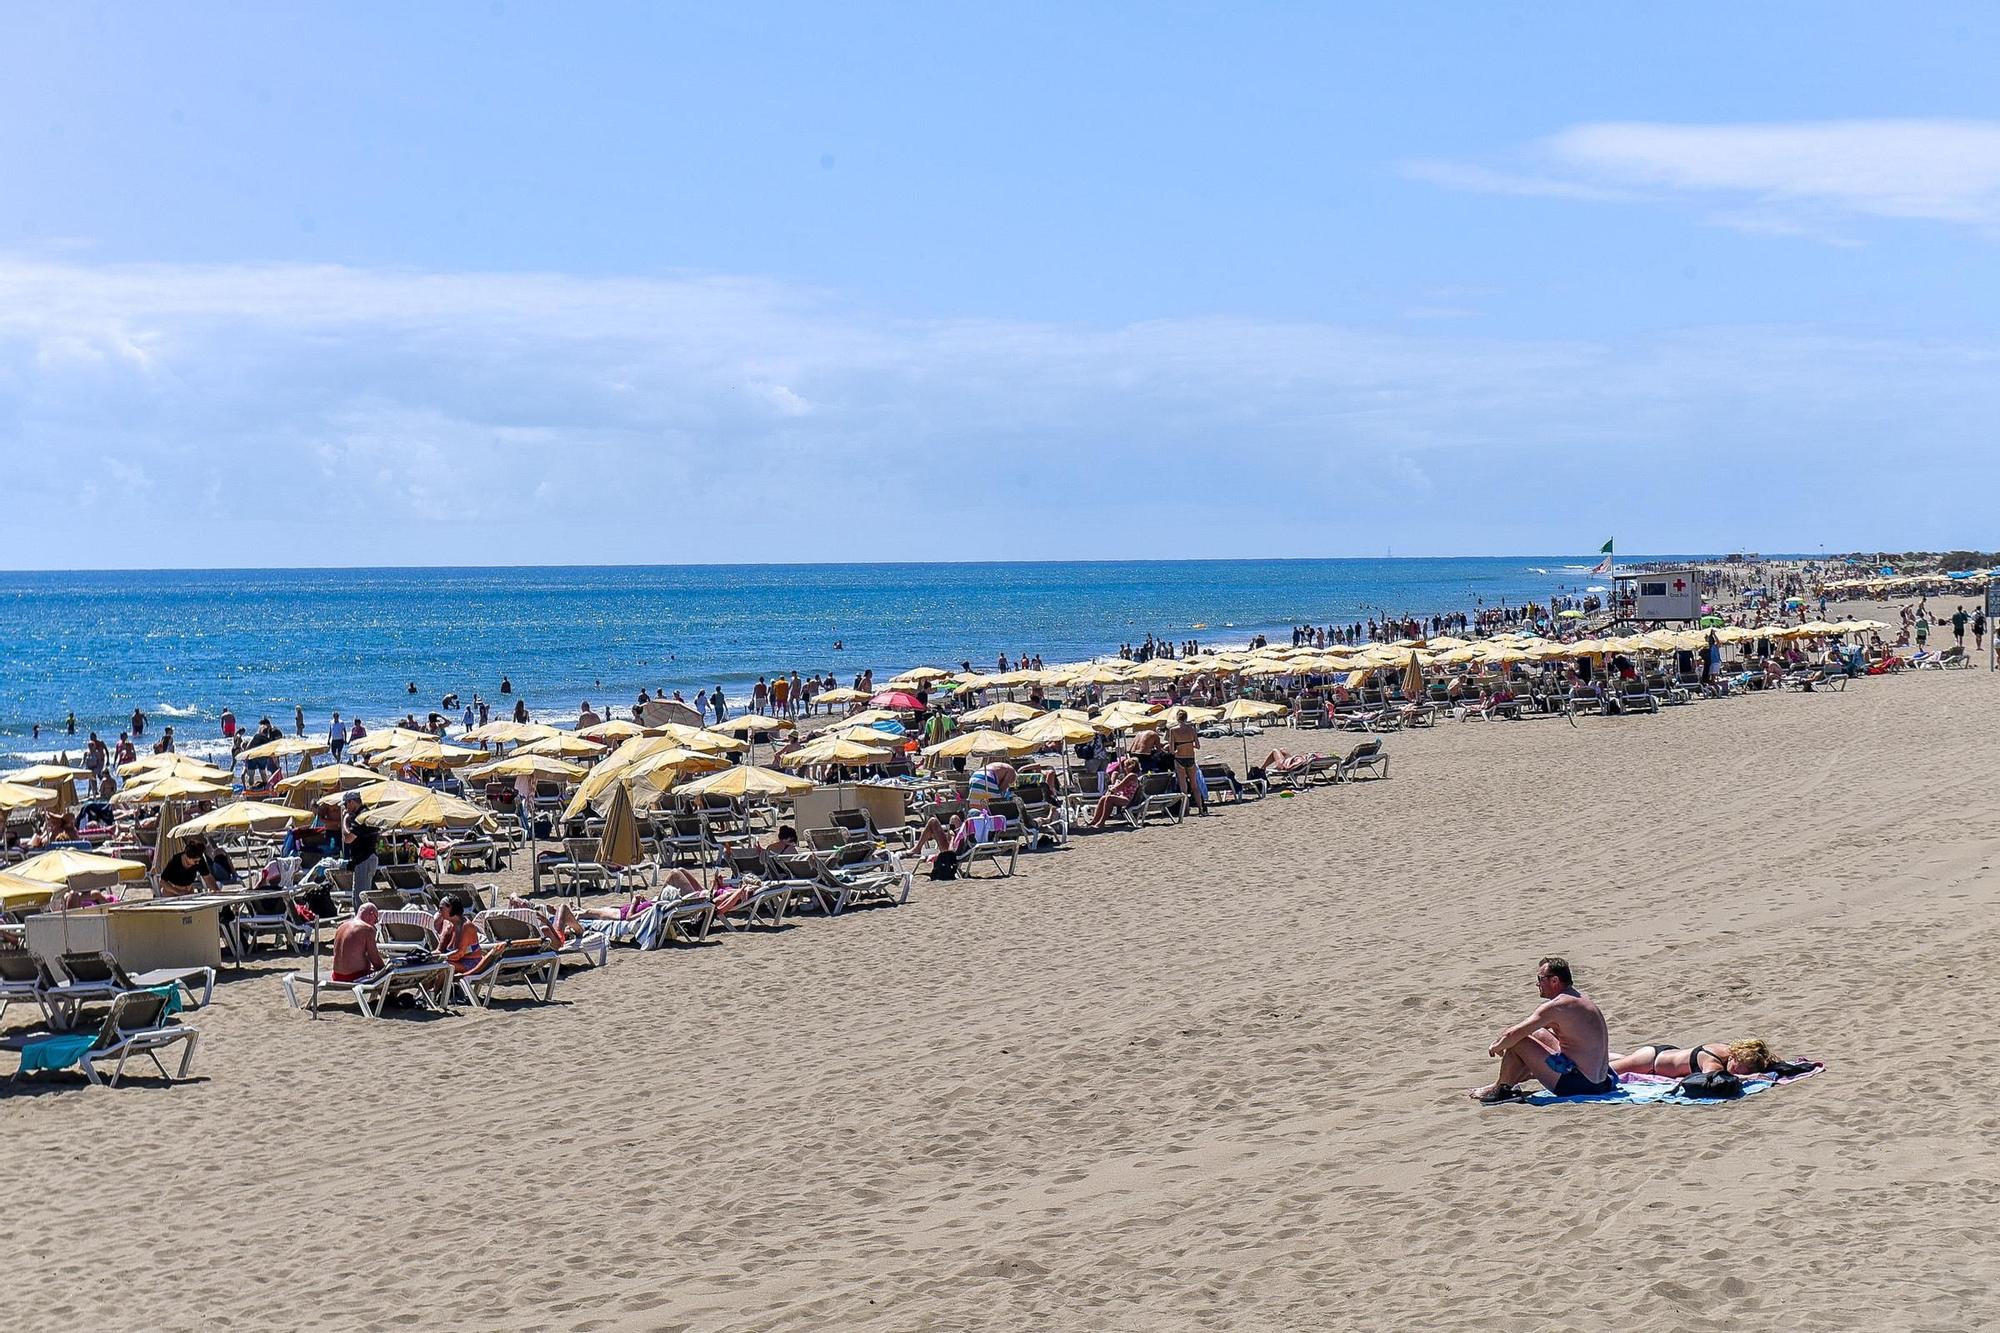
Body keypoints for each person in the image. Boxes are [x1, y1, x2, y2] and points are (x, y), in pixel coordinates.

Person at [1471, 956, 1615, 1102]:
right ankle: (1509, 1081)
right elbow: (1531, 1029)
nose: (1537, 984)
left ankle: (1502, 1088)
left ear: (1554, 981)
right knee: (1538, 1033)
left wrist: (1495, 1046)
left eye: (1540, 978)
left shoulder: (1557, 1006)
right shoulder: (1580, 999)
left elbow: (1513, 1034)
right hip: (1603, 1081)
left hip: (1581, 1084)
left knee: (1518, 1041)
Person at [1610, 1038, 1781, 1079]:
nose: (1737, 1071)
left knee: (1614, 1060)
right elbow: (1715, 1077)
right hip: (1650, 1062)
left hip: (1666, 1055)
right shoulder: (1711, 1061)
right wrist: (1748, 1077)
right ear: (1734, 1057)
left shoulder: (1729, 1049)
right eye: (1737, 1067)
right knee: (1602, 1070)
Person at [330, 903, 388, 984]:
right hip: (355, 976)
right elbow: (375, 959)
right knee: (387, 977)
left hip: (336, 975)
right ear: (371, 914)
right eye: (375, 920)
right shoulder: (367, 929)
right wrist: (386, 971)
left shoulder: (341, 926)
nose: (374, 923)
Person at [340, 791, 379, 909]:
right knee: (358, 897)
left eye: (346, 804)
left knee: (361, 900)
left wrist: (344, 821)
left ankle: (363, 925)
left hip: (364, 859)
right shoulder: (365, 814)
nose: (346, 808)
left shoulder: (361, 817)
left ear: (351, 802)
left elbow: (348, 838)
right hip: (365, 858)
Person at [1164, 708, 1207, 814]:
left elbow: (1171, 750)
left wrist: (1181, 746)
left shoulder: (1173, 730)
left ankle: (1186, 809)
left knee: (1184, 787)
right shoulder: (1191, 729)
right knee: (1194, 785)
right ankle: (1201, 809)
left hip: (1180, 758)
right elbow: (1197, 746)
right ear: (1186, 717)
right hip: (1191, 758)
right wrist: (1188, 744)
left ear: (1177, 718)